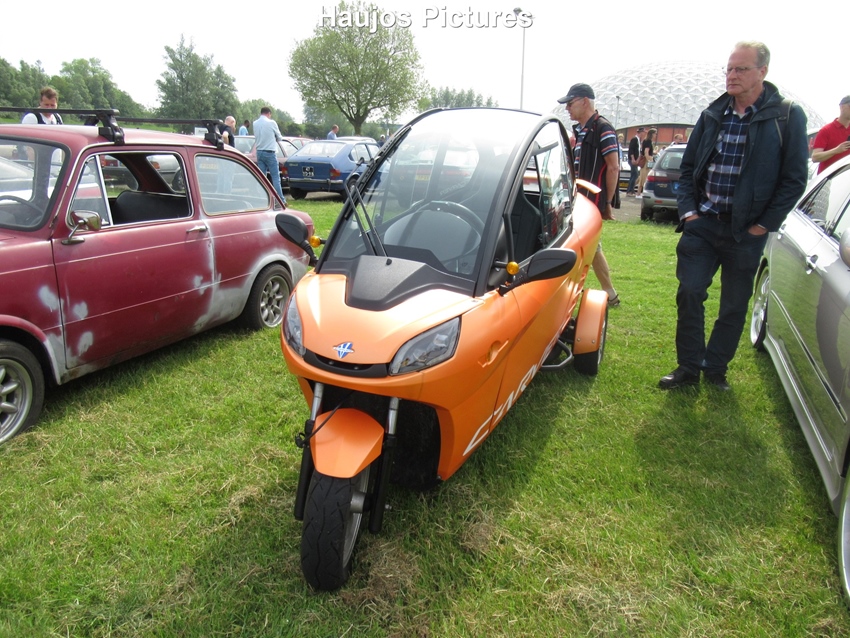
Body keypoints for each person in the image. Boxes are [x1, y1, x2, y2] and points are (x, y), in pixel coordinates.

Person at [659, 41, 808, 391]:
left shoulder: (785, 116)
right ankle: (688, 368)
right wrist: (690, 214)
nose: (732, 75)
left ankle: (715, 369)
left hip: (746, 232)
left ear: (762, 72)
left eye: (741, 69)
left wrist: (762, 225)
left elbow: (794, 179)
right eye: (728, 68)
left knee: (734, 305)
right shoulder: (713, 114)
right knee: (690, 292)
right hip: (703, 225)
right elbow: (688, 168)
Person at [558, 83, 621, 307]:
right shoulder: (582, 131)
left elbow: (613, 167)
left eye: (570, 103)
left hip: (591, 201)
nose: (567, 108)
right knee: (590, 247)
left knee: (587, 246)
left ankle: (605, 294)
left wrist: (607, 202)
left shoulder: (603, 128)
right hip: (580, 200)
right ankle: (610, 294)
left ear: (585, 101)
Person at [253, 107, 286, 201]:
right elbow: (279, 137)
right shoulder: (272, 123)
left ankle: (262, 198)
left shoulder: (255, 123)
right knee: (275, 177)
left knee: (262, 177)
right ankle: (281, 199)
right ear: (269, 113)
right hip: (270, 151)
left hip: (259, 151)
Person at [811, 96, 850, 175]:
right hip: (828, 179)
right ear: (842, 107)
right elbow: (815, 157)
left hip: (846, 179)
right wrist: (836, 150)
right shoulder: (826, 130)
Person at [627, 128, 645, 196]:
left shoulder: (638, 140)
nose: (644, 134)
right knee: (635, 174)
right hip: (633, 159)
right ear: (640, 132)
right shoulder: (634, 139)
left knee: (634, 175)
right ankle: (630, 191)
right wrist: (633, 159)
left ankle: (631, 190)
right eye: (643, 132)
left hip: (635, 160)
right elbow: (631, 149)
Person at [638, 128, 656, 194]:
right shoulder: (648, 141)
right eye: (655, 134)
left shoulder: (645, 141)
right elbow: (646, 152)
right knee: (644, 177)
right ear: (652, 134)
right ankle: (640, 193)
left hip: (646, 160)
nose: (656, 135)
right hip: (646, 161)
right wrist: (650, 160)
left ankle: (638, 192)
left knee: (642, 177)